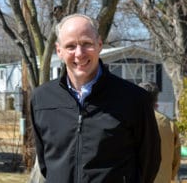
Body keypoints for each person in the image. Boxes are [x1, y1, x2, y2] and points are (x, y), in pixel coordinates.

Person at [30, 13, 161, 183]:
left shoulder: (134, 99)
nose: (79, 53)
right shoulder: (42, 99)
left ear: (99, 45)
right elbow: (45, 163)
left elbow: (149, 162)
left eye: (86, 44)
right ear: (59, 51)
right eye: (70, 46)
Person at [138, 82, 181, 183]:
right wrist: (169, 176)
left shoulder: (130, 121)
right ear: (156, 98)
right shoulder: (169, 124)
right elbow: (176, 159)